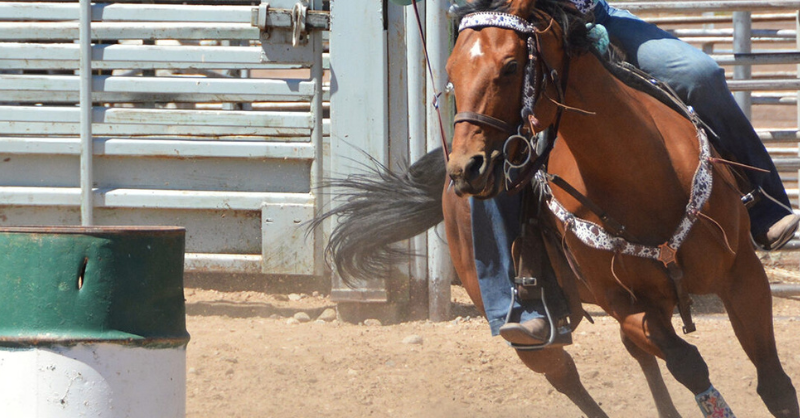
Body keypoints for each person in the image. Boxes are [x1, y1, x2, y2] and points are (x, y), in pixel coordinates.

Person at [469, 0, 800, 346]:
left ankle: (764, 206)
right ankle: (521, 305)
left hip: (591, 16)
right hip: (508, 32)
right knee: (488, 144)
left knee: (701, 75)